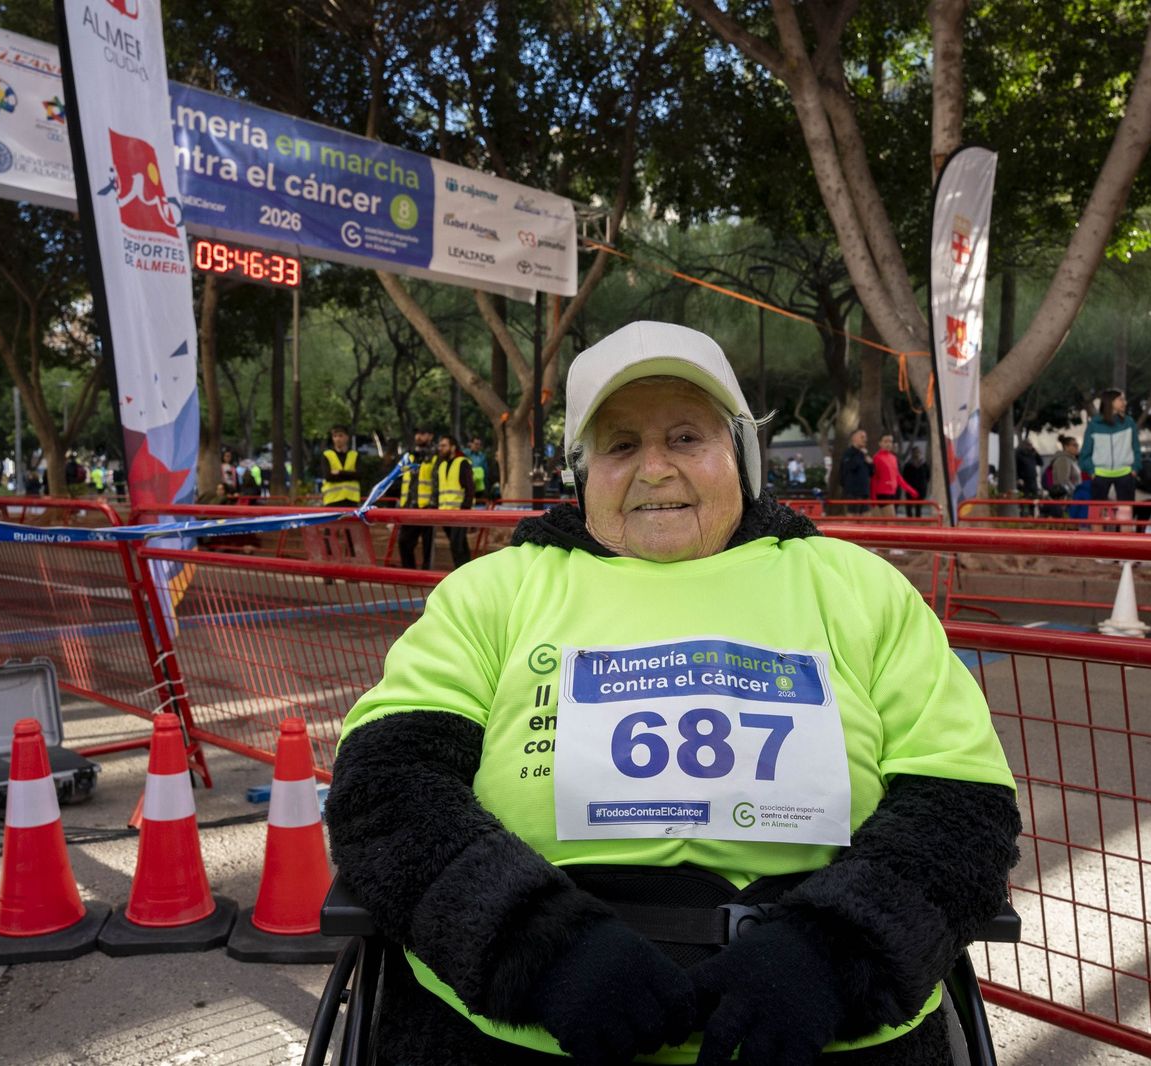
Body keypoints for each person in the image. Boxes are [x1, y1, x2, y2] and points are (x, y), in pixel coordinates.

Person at [327, 321, 1020, 1066]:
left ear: (741, 457)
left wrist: (835, 955)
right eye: (621, 446)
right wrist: (538, 949)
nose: (654, 469)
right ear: (583, 473)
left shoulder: (856, 587)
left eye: (686, 438)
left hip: (820, 1020)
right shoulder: (494, 590)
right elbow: (388, 785)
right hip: (519, 1021)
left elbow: (961, 802)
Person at [1078, 389, 1141, 531]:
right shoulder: (1094, 424)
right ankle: (1097, 546)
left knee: (1125, 515)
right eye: (1120, 399)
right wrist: (1091, 471)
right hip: (1100, 474)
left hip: (1125, 473)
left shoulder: (1129, 422)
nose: (1124, 402)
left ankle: (1126, 548)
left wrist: (1135, 468)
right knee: (1097, 513)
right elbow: (1085, 452)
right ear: (1110, 402)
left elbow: (1136, 448)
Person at [396, 427, 438, 569]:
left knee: (428, 545)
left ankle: (425, 576)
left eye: (423, 433)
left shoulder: (435, 456)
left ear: (430, 436)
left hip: (427, 507)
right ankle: (409, 574)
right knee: (403, 541)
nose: (419, 437)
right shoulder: (410, 455)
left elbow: (437, 481)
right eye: (417, 434)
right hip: (409, 506)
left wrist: (434, 503)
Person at [435, 434, 476, 568]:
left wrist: (465, 509)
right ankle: (466, 572)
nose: (440, 448)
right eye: (440, 445)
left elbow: (470, 489)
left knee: (456, 545)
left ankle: (461, 573)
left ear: (453, 447)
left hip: (460, 512)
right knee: (459, 545)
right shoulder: (442, 465)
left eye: (444, 445)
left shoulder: (462, 462)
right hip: (445, 513)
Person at [870, 433, 918, 518]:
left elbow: (897, 476)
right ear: (880, 443)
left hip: (893, 493)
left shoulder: (893, 458)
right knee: (891, 520)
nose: (888, 444)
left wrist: (910, 490)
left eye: (890, 442)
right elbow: (874, 479)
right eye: (885, 441)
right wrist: (873, 499)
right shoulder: (877, 458)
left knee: (887, 522)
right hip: (882, 493)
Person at [321, 425, 365, 507]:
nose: (337, 439)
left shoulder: (354, 455)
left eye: (341, 436)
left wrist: (339, 472)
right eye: (335, 436)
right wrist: (350, 474)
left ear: (347, 437)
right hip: (332, 500)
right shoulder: (327, 455)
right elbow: (328, 477)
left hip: (351, 499)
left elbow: (359, 475)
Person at [839, 428, 871, 513]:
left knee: (865, 518)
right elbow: (851, 467)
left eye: (865, 437)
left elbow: (871, 472)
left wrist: (870, 463)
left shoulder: (863, 454)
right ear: (854, 438)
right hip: (852, 492)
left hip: (864, 492)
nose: (865, 439)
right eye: (862, 437)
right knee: (852, 517)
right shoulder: (848, 453)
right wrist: (861, 455)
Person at [466, 436, 492, 501]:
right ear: (470, 444)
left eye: (479, 444)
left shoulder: (482, 457)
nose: (478, 446)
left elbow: (486, 473)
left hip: (479, 488)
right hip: (467, 486)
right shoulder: (465, 454)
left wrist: (487, 489)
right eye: (476, 444)